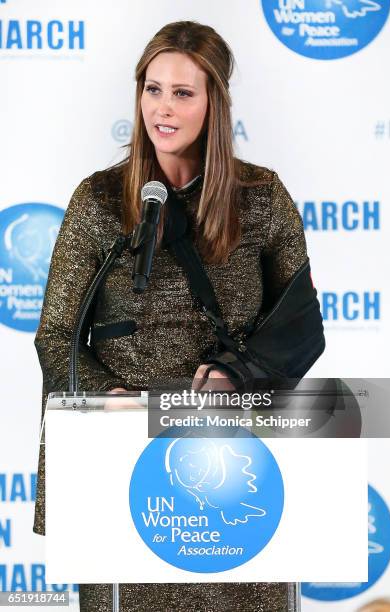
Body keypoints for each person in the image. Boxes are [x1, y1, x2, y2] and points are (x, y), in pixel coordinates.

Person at [33, 20, 319, 612]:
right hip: (126, 461)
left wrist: (236, 374)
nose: (163, 108)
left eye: (183, 93)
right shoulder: (99, 201)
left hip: (238, 465)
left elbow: (300, 327)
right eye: (152, 88)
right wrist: (99, 392)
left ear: (214, 102)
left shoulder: (261, 199)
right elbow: (57, 334)